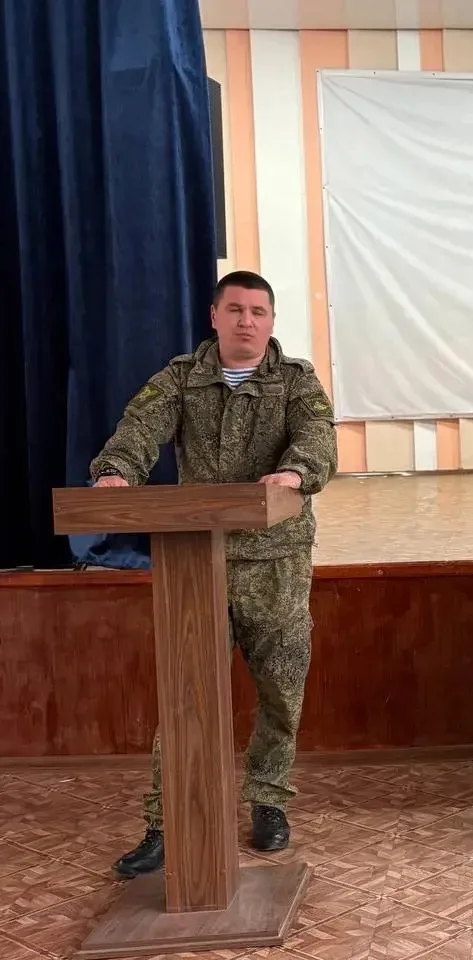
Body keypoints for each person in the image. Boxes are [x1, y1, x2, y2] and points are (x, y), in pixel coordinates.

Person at [88, 270, 338, 878]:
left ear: (271, 321)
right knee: (186, 693)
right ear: (215, 316)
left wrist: (295, 473)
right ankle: (165, 822)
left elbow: (318, 439)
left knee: (280, 690)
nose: (247, 321)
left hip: (275, 563)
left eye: (258, 311)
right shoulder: (181, 377)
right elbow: (139, 428)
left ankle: (269, 801)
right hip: (198, 562)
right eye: (235, 310)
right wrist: (117, 471)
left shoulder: (296, 380)